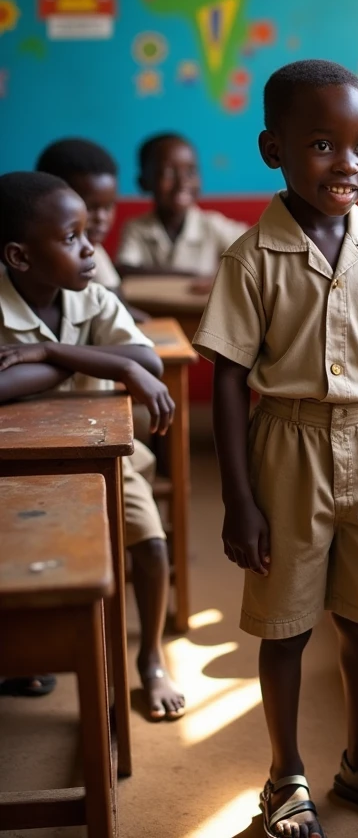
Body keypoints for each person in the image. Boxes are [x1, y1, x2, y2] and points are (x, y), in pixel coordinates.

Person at [194, 60, 358, 837]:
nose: (350, 164)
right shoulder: (250, 257)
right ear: (275, 150)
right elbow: (230, 380)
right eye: (324, 145)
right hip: (287, 450)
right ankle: (284, 775)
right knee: (286, 627)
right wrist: (239, 498)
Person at [0, 170, 185, 721]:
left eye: (87, 233)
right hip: (14, 470)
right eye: (71, 238)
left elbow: (150, 362)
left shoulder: (94, 299)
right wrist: (111, 363)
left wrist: (49, 355)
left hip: (104, 459)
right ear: (20, 256)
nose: (89, 248)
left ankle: (150, 659)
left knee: (150, 544)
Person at [36, 137, 147, 321]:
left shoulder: (94, 251)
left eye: (109, 206)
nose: (102, 218)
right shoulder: (37, 265)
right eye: (89, 207)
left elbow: (118, 308)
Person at [117, 132, 247, 287]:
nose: (182, 182)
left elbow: (254, 254)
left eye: (191, 171)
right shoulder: (136, 228)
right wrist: (191, 276)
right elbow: (123, 269)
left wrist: (220, 278)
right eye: (168, 173)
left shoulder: (213, 225)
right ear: (144, 182)